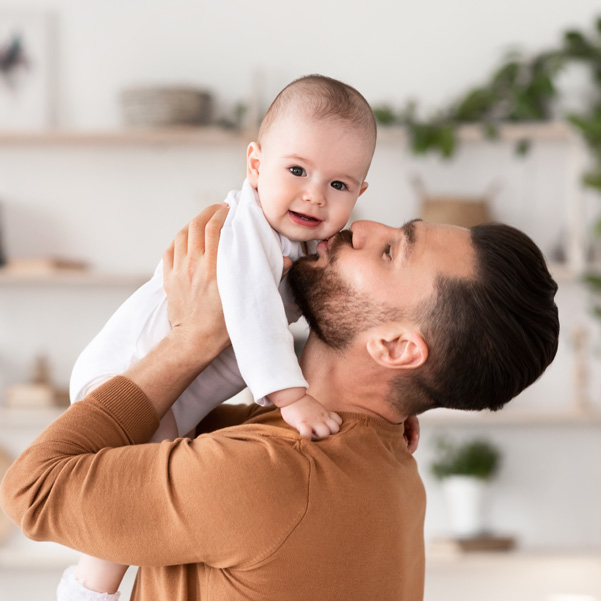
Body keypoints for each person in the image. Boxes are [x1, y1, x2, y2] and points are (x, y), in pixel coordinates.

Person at [0, 205, 560, 601]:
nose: (359, 225)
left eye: (391, 251)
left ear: (395, 347)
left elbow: (33, 491)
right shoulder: (385, 461)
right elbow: (176, 436)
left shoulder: (272, 478)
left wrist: (191, 339)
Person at [61, 74, 375, 599]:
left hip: (178, 395)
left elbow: (339, 316)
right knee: (134, 495)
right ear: (255, 165)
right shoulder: (246, 230)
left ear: (359, 193)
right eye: (296, 170)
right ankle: (88, 592)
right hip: (129, 373)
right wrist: (291, 397)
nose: (314, 195)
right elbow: (254, 313)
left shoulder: (307, 246)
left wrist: (385, 397)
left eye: (338, 185)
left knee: (146, 492)